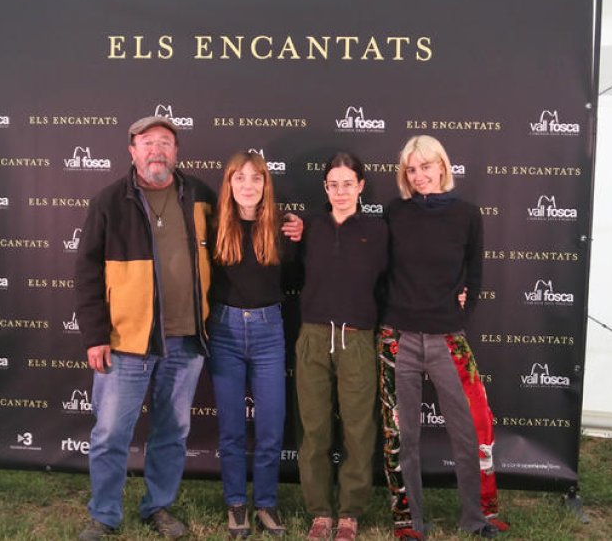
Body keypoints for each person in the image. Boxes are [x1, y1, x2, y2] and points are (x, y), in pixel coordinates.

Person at [74, 115, 214, 541]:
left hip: (185, 339)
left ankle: (158, 506)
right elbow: (86, 273)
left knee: (172, 432)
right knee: (111, 432)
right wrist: (96, 335)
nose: (158, 150)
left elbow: (234, 244)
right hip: (126, 341)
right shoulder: (109, 201)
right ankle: (104, 514)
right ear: (132, 151)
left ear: (177, 152)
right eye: (148, 142)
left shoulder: (201, 196)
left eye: (166, 142)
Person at [378, 135, 501, 539]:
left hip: (448, 336)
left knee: (470, 430)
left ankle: (476, 517)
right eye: (411, 170)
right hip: (398, 339)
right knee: (403, 435)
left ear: (443, 166)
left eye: (426, 167)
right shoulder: (395, 213)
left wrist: (460, 311)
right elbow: (380, 270)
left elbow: (476, 272)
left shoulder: (468, 214)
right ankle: (408, 521)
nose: (419, 176)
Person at [295, 152, 388, 541]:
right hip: (314, 336)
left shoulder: (379, 230)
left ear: (361, 186)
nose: (341, 191)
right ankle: (319, 511)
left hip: (357, 338)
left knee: (358, 429)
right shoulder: (309, 228)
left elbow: (397, 279)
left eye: (348, 183)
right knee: (314, 428)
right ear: (325, 188)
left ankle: (349, 512)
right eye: (334, 184)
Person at [207, 151, 296, 537]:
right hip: (224, 329)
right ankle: (235, 504)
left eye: (256, 179)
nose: (248, 185)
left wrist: (300, 231)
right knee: (230, 427)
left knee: (271, 425)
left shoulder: (282, 227)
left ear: (265, 185)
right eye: (240, 178)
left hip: (268, 330)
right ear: (228, 183)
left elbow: (304, 275)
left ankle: (266, 503)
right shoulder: (212, 227)